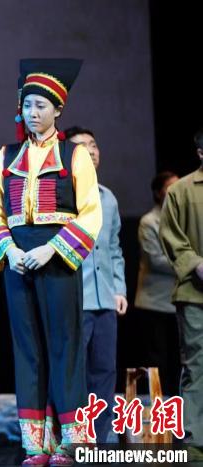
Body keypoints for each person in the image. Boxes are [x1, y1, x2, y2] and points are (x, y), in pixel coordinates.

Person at [0, 59, 101, 466]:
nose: (33, 113)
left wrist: (52, 249)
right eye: (28, 105)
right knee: (27, 349)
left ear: (58, 109)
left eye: (41, 106)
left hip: (58, 258)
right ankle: (36, 444)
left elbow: (90, 213)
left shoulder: (74, 154)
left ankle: (72, 441)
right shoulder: (6, 155)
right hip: (18, 259)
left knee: (65, 347)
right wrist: (10, 251)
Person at [65, 126, 126, 443]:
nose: (91, 151)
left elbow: (114, 249)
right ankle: (73, 439)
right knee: (72, 372)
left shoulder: (108, 198)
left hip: (105, 299)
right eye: (82, 146)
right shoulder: (61, 196)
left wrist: (119, 289)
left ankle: (102, 438)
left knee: (104, 370)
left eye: (94, 145)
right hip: (74, 300)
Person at [159, 128, 203, 461]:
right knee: (197, 365)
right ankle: (195, 438)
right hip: (195, 294)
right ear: (200, 152)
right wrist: (195, 263)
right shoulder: (181, 190)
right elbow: (170, 235)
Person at [135, 171, 180, 397]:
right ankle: (158, 406)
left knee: (178, 359)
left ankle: (178, 403)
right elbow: (155, 260)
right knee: (157, 359)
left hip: (179, 301)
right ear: (158, 193)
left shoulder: (183, 218)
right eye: (170, 187)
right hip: (154, 302)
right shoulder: (149, 222)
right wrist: (190, 263)